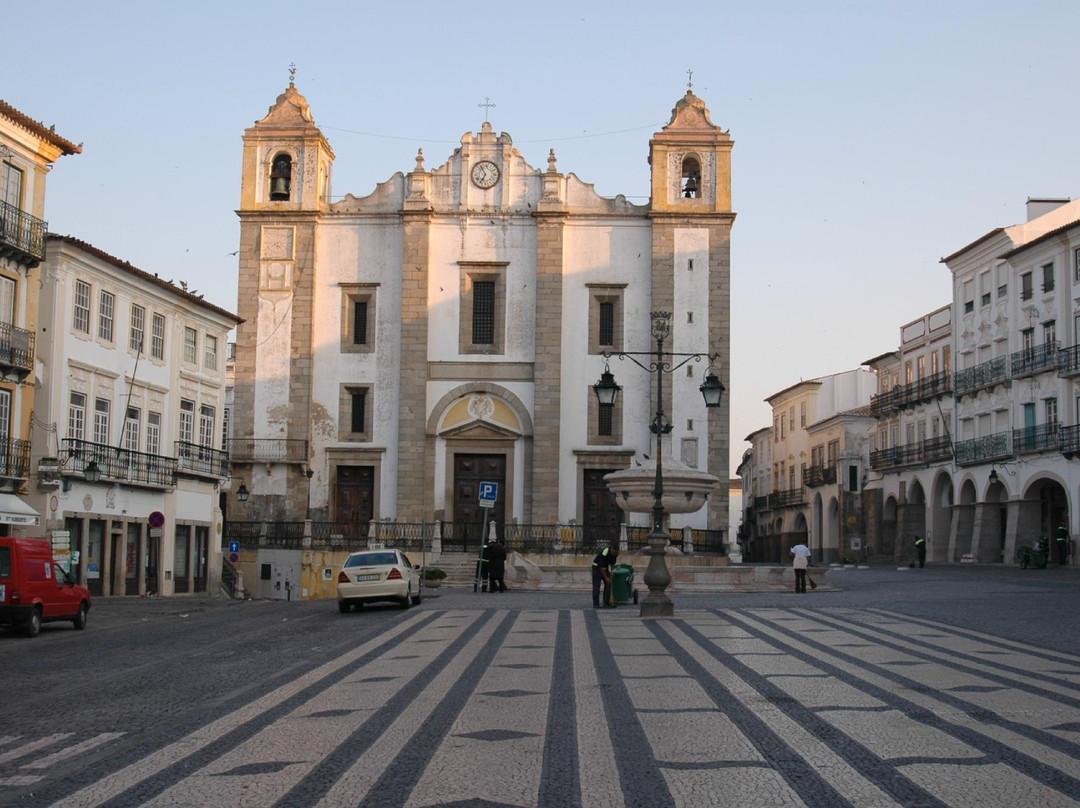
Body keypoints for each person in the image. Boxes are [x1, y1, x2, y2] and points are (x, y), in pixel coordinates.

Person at [592, 544, 618, 608]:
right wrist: (606, 578)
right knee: (597, 585)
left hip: (605, 568)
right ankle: (596, 604)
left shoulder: (615, 553)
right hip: (597, 568)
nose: (614, 554)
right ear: (611, 549)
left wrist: (612, 572)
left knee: (609, 583)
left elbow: (612, 564)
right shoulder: (604, 553)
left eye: (616, 553)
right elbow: (601, 568)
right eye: (614, 552)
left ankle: (607, 602)